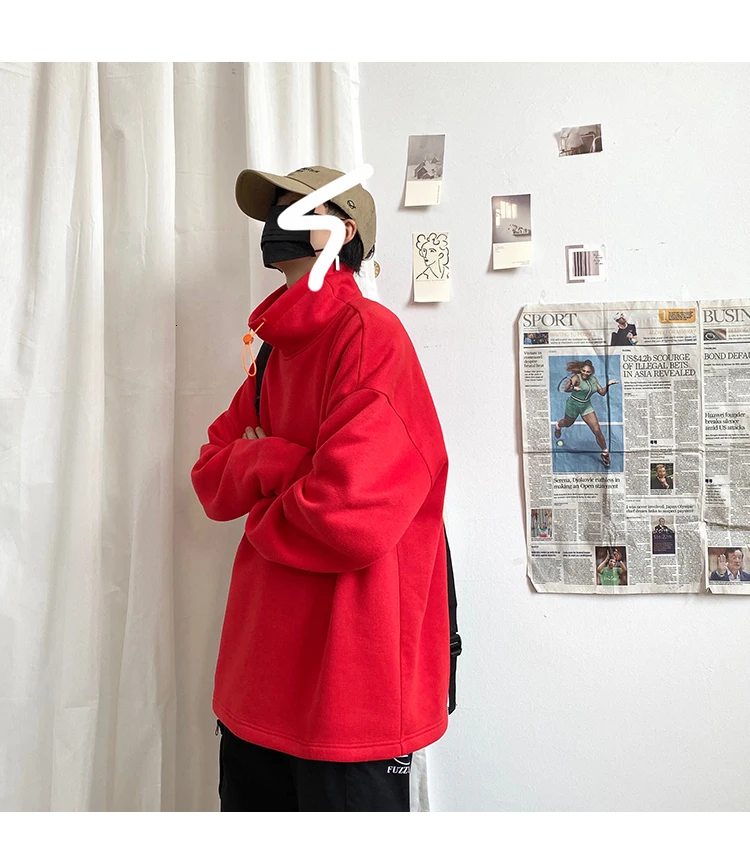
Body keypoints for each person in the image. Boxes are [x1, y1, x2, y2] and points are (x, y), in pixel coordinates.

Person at [191, 165, 450, 812]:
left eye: (300, 209)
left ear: (345, 232)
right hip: (257, 688)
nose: (277, 222)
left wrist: (260, 479)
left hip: (348, 698)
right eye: (274, 210)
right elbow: (210, 479)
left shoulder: (369, 337)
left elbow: (345, 515)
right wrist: (284, 463)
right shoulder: (272, 354)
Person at [554, 359, 619, 468]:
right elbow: (566, 388)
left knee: (597, 430)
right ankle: (558, 425)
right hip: (573, 405)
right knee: (567, 423)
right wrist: (574, 388)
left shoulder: (594, 380)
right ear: (581, 370)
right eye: (583, 371)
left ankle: (605, 453)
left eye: (588, 372)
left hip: (586, 406)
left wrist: (608, 385)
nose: (585, 373)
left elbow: (602, 393)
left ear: (591, 372)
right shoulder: (576, 378)